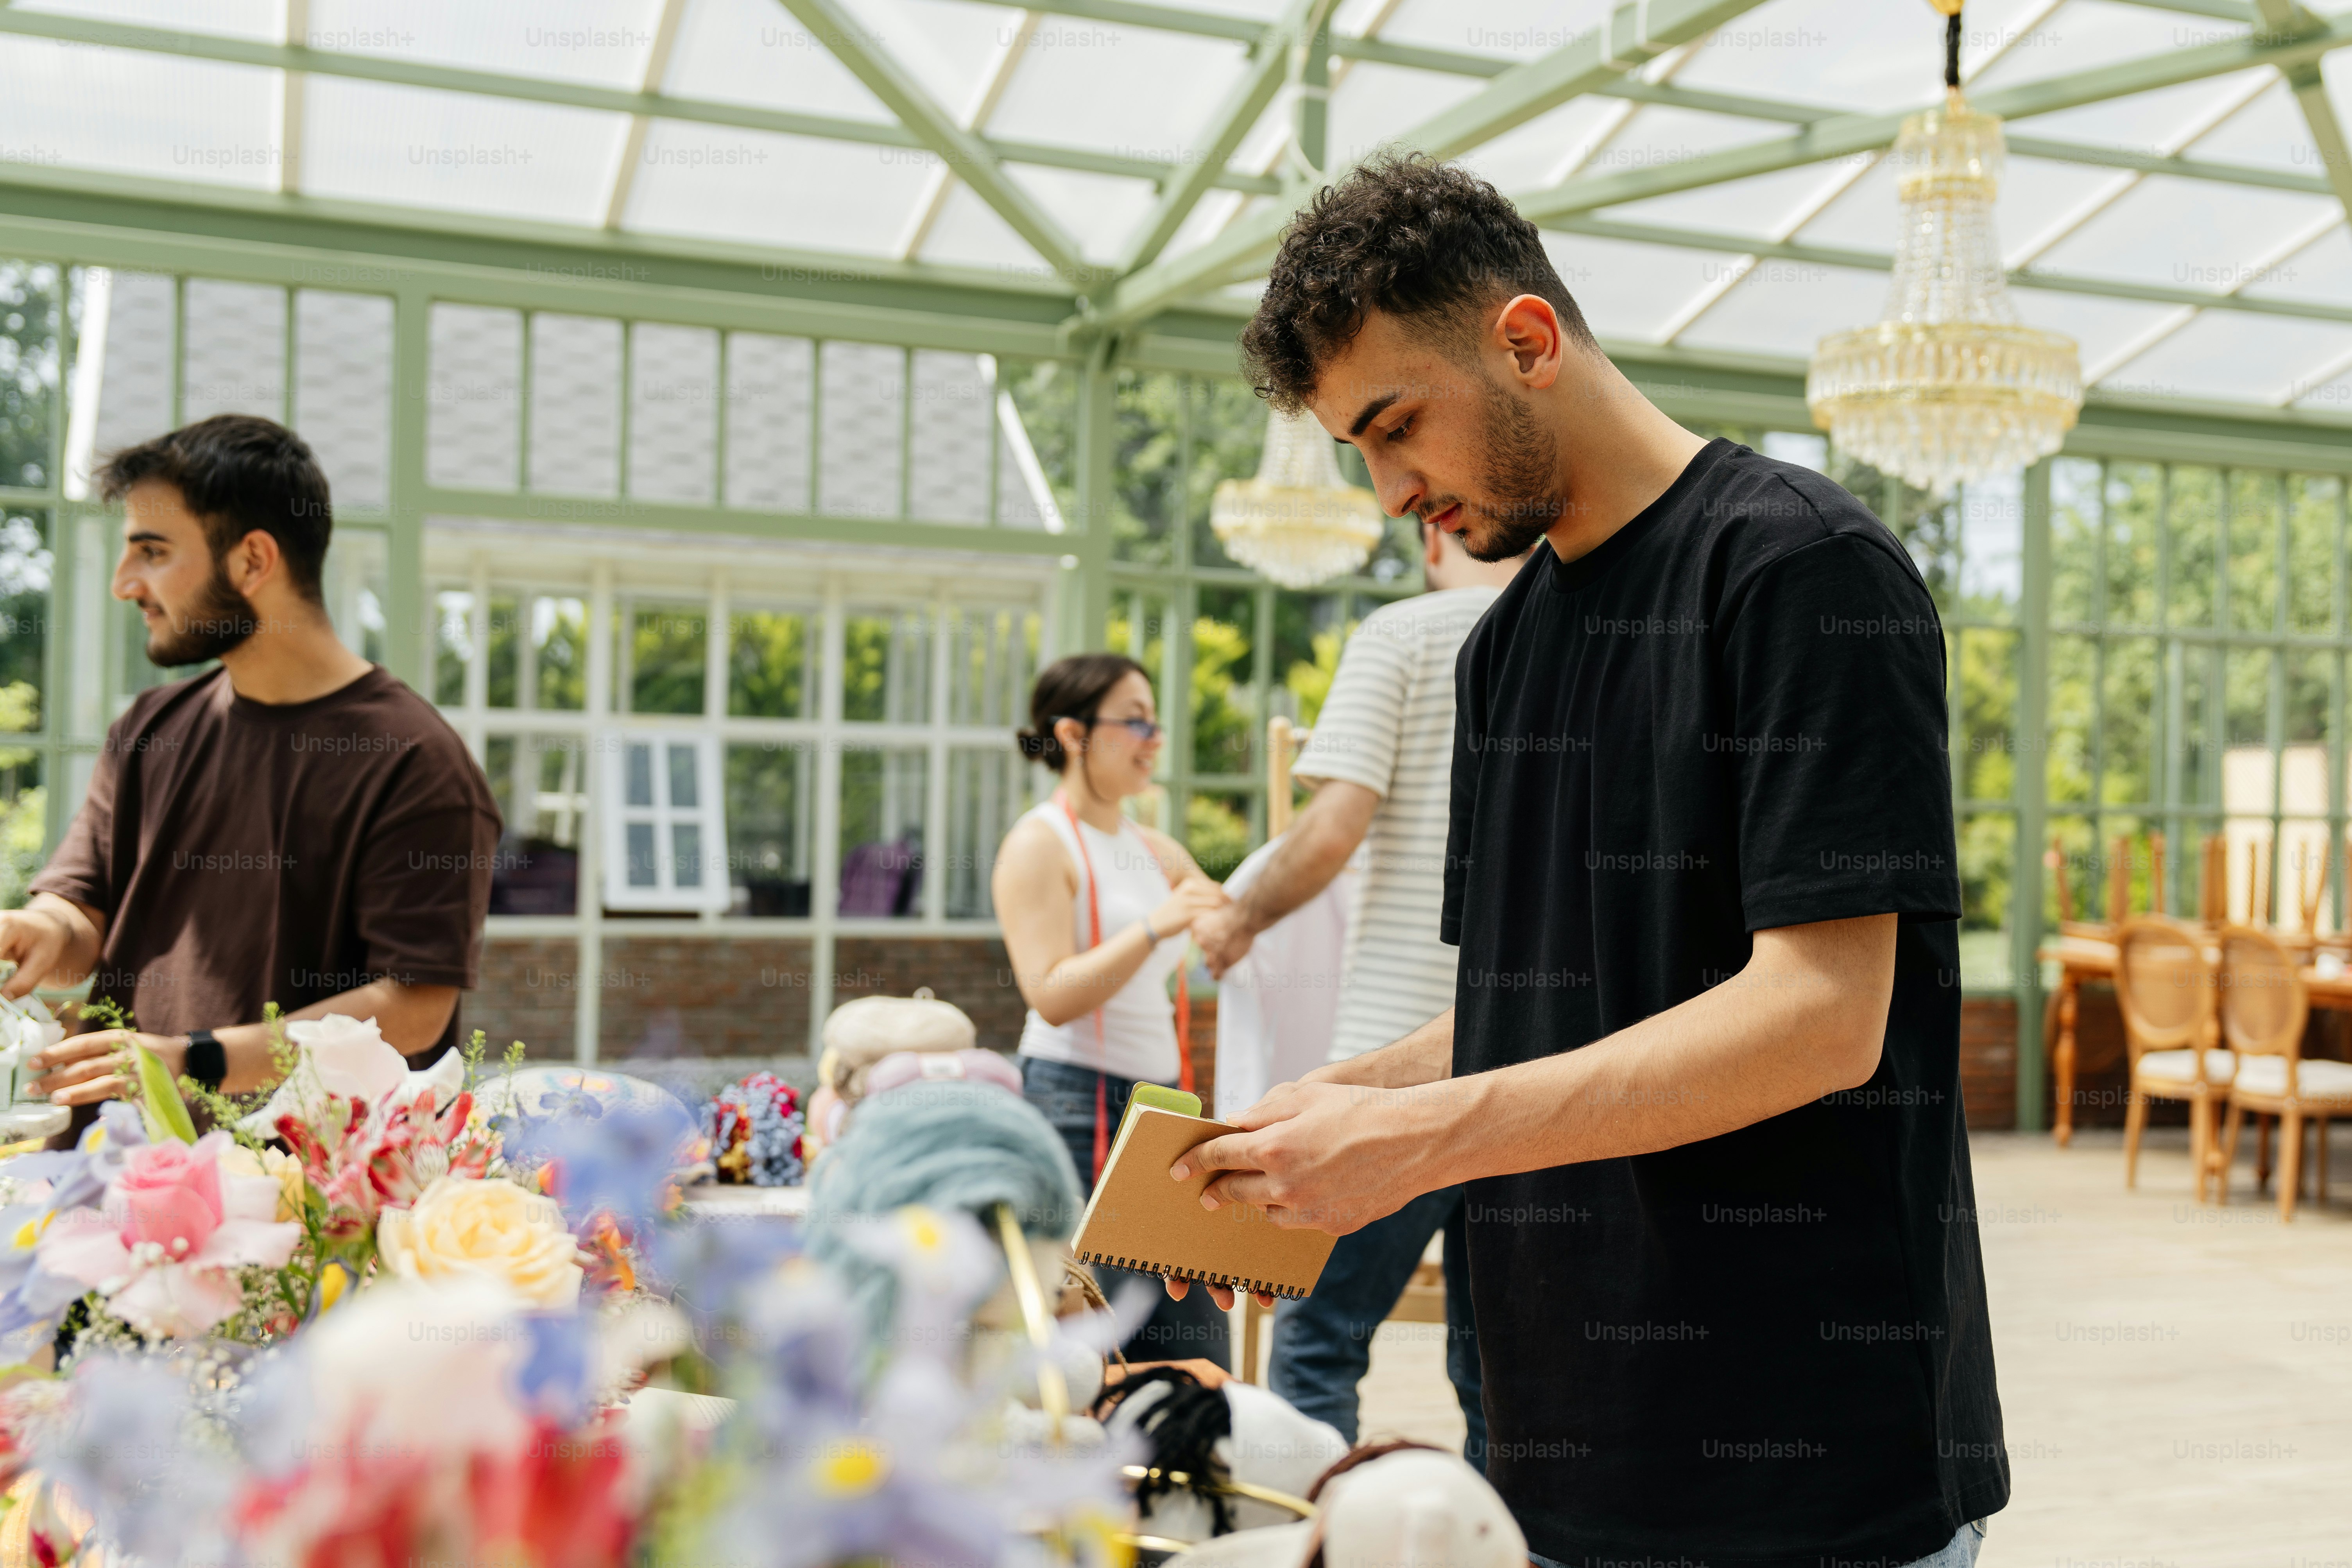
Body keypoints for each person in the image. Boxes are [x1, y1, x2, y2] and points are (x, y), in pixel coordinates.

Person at [1165, 156, 2004, 1568]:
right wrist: (1346, 1092)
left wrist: (1413, 1139)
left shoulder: (1800, 572)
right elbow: (1536, 998)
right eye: (1354, 454)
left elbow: (1819, 1015)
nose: (1384, 494)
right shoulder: (1500, 653)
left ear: (1526, 343)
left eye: (1394, 429)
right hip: (1554, 1455)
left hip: (1805, 1466)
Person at [0, 414, 500, 1118]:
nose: (124, 583)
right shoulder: (150, 729)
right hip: (105, 1172)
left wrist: (194, 1059)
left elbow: (412, 1006)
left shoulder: (415, 763)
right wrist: (46, 929)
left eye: (151, 551)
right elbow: (85, 919)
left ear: (252, 561)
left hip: (291, 1201)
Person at [1191, 514, 1527, 1463]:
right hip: (1543, 1063)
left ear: (1434, 533)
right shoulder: (1580, 638)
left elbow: (1333, 827)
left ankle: (1314, 1532)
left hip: (1401, 1055)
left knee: (1319, 1337)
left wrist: (1238, 919)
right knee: (1496, 1363)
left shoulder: (1405, 635)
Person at [994, 652, 1234, 1365]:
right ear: (1072, 735)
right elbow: (1050, 994)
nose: (1153, 737)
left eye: (1154, 721)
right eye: (1134, 721)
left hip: (1159, 1112)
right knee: (1093, 1341)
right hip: (1074, 1103)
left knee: (1192, 1341)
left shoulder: (1155, 849)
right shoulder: (1040, 843)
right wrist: (1158, 926)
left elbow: (1232, 931)